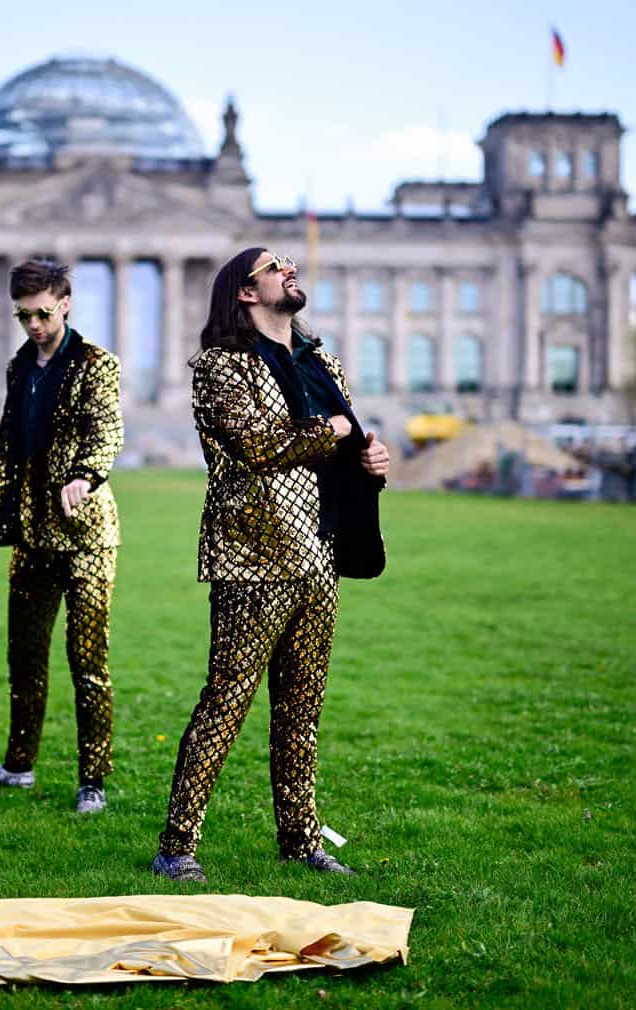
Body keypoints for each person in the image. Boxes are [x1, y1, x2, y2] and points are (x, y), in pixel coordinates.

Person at [150, 247, 391, 882]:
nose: (291, 270)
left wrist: (369, 462)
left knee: (302, 708)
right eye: (274, 266)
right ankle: (177, 846)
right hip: (251, 552)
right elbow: (259, 447)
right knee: (226, 700)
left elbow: (340, 446)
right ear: (246, 293)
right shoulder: (219, 367)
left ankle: (301, 839)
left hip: (319, 550)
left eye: (290, 264)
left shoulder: (320, 361)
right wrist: (337, 432)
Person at [0, 259, 124, 814]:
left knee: (87, 661)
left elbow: (108, 430)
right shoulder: (19, 367)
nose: (34, 325)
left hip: (87, 537)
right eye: (24, 315)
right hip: (30, 535)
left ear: (65, 303)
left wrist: (85, 475)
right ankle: (18, 767)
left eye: (43, 314)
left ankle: (92, 780)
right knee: (23, 659)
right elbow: (7, 449)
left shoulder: (98, 364)